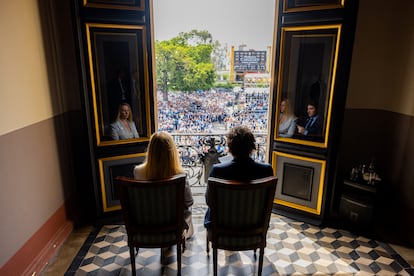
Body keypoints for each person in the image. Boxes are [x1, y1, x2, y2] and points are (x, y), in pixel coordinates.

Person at [203, 126, 274, 228]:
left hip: (222, 230)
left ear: (230, 147)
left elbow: (209, 201)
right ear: (252, 146)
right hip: (253, 228)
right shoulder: (266, 170)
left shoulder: (218, 170)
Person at [134, 132, 194, 239]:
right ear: (172, 151)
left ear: (150, 150)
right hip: (172, 223)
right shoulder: (180, 175)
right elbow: (189, 201)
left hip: (147, 222)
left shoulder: (138, 172)